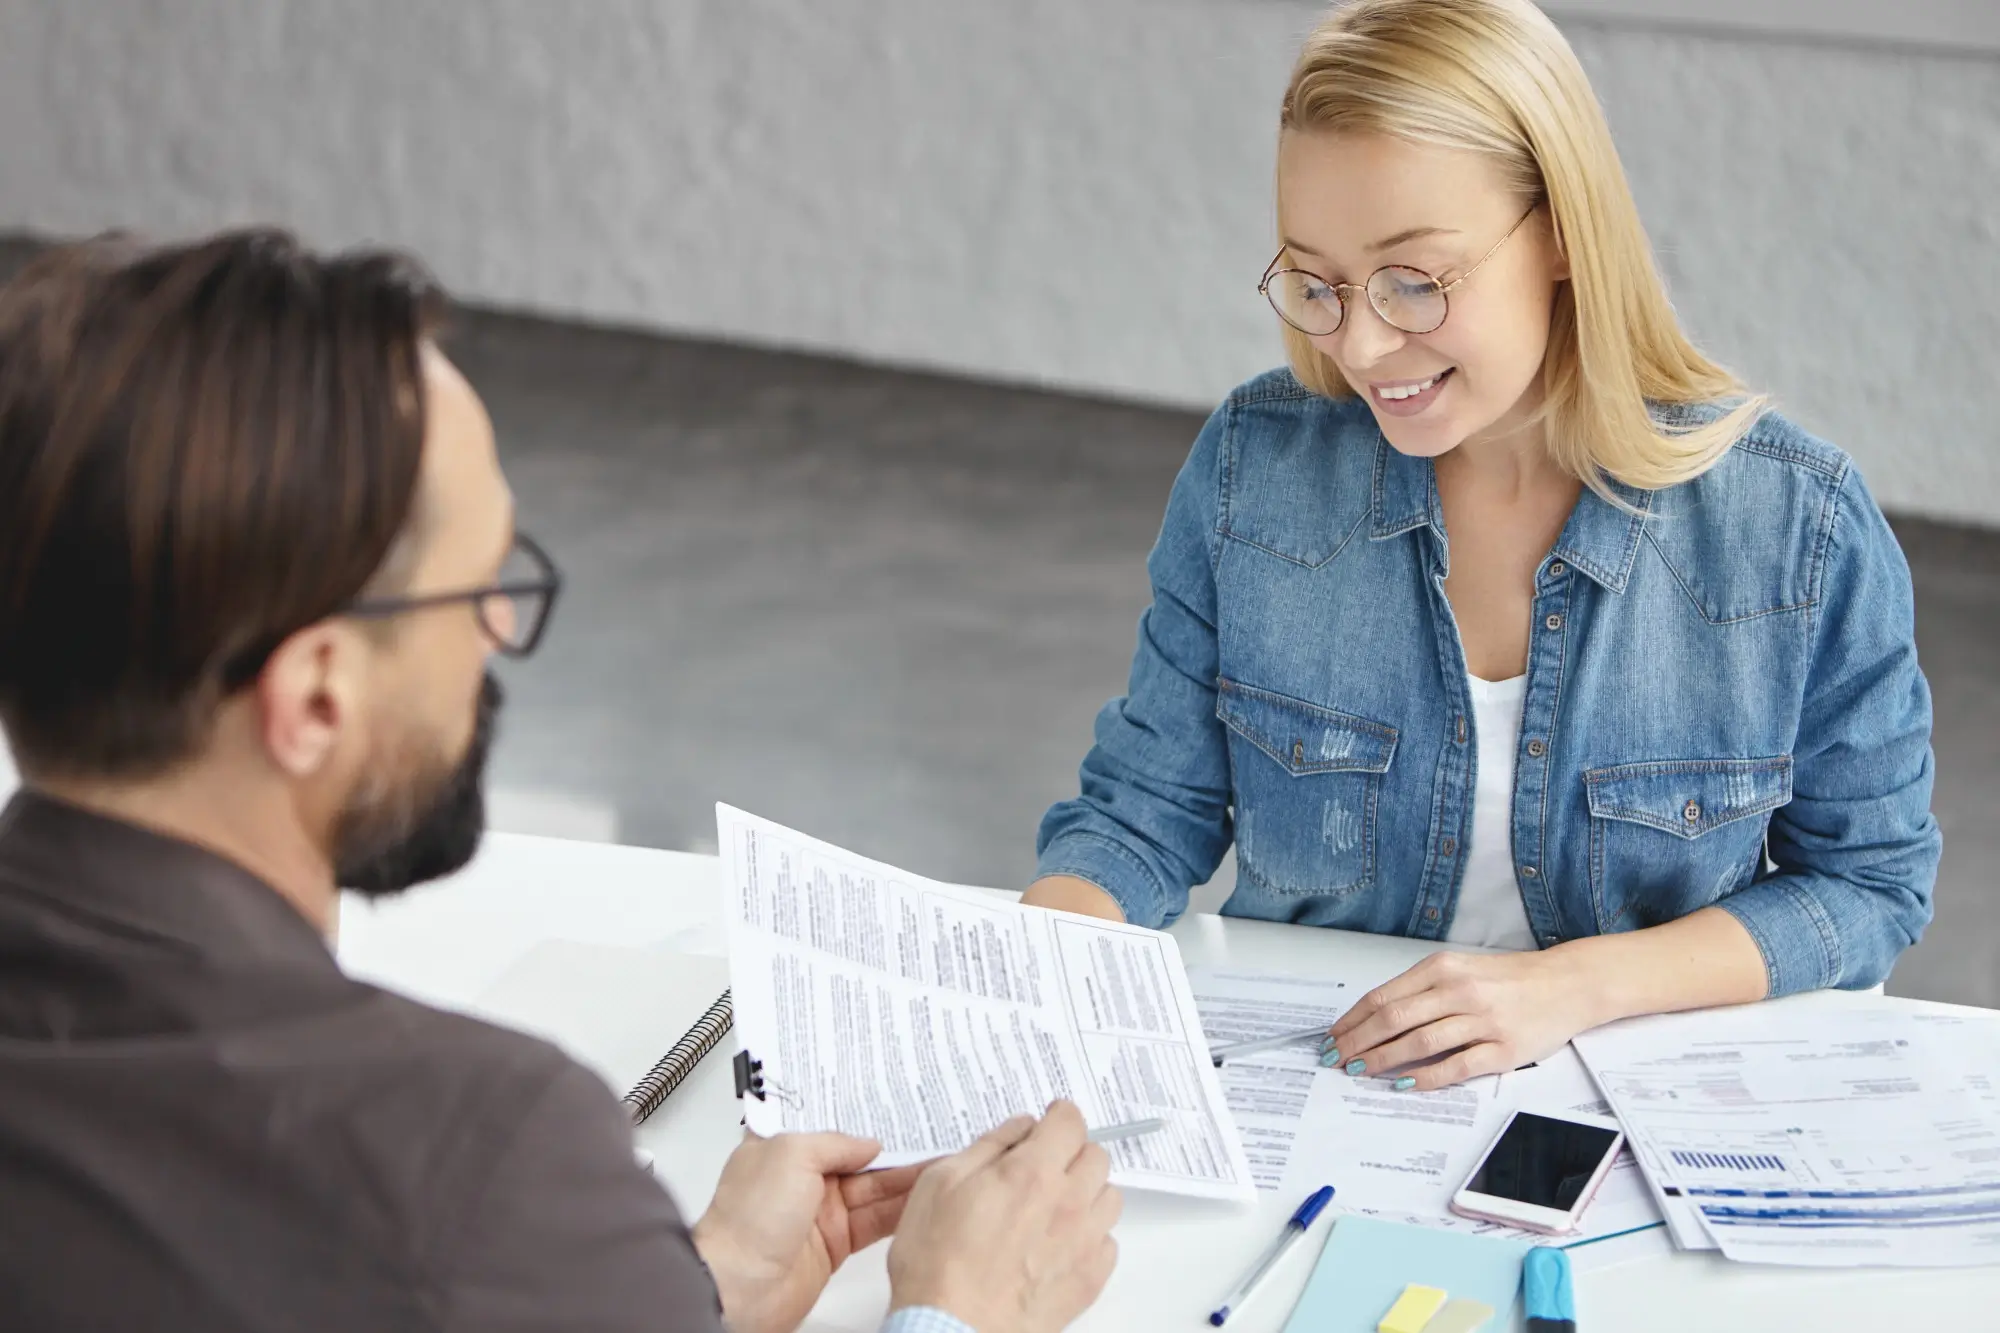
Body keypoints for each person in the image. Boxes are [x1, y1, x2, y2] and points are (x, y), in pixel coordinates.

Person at [0, 232, 1119, 1333]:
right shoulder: (467, 1160)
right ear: (318, 697)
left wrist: (682, 1292)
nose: (495, 629)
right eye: (476, 586)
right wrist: (961, 1313)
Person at [1023, 0, 1940, 1090]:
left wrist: (1571, 987)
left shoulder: (1796, 527)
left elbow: (1867, 886)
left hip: (1620, 1090)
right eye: (1316, 284)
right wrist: (1028, 968)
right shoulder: (1252, 470)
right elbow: (1142, 814)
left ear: (1558, 230)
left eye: (1414, 280)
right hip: (1319, 1081)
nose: (1360, 343)